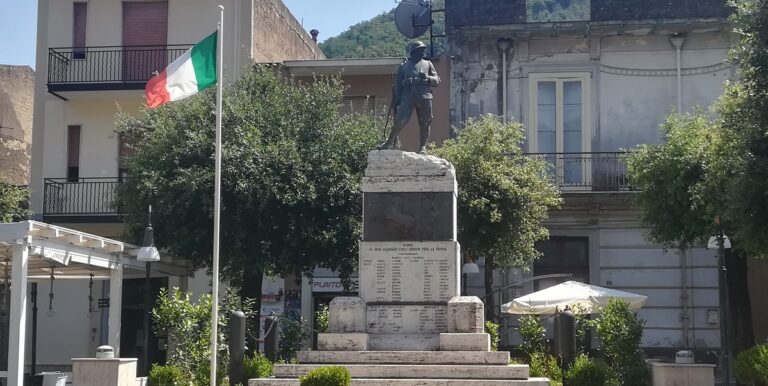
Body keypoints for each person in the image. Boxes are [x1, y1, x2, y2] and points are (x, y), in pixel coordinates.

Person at [378, 41, 440, 154]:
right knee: (400, 121)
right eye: (421, 50)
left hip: (424, 96)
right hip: (408, 96)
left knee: (425, 122)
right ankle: (389, 142)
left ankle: (422, 147)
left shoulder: (428, 64)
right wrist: (397, 99)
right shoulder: (404, 66)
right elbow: (397, 85)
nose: (423, 52)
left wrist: (428, 77)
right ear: (414, 52)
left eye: (423, 50)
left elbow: (437, 80)